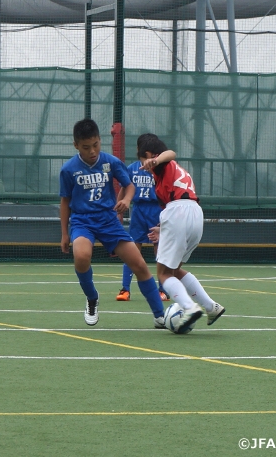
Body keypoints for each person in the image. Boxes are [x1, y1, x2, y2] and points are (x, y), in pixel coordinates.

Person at [59, 119, 165, 328]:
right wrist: (64, 233)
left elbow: (130, 186)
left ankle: (160, 316)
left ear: (100, 140)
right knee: (81, 256)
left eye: (95, 145)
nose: (92, 151)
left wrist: (125, 200)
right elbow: (65, 202)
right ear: (76, 145)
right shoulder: (68, 169)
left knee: (140, 265)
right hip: (82, 221)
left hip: (108, 221)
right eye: (86, 147)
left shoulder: (111, 162)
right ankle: (92, 298)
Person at [138, 133, 225, 333]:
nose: (143, 164)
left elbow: (171, 152)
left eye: (142, 158)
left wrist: (155, 160)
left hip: (178, 212)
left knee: (163, 273)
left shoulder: (162, 163)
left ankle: (189, 307)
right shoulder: (175, 172)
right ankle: (211, 307)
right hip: (194, 214)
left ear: (149, 154)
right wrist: (163, 229)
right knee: (175, 270)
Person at [115, 135, 168, 302]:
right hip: (138, 211)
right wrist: (118, 211)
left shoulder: (159, 169)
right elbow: (124, 189)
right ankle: (125, 289)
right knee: (132, 250)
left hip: (156, 210)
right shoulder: (132, 168)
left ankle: (162, 289)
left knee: (160, 249)